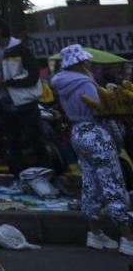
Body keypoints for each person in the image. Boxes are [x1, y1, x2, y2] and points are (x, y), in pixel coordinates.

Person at [50, 44, 133, 254]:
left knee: (90, 184)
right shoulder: (85, 83)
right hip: (96, 133)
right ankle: (127, 237)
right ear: (79, 62)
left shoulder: (61, 83)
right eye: (85, 60)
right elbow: (101, 111)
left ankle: (95, 234)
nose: (89, 62)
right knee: (112, 182)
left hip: (77, 132)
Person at [0, 18, 48, 176]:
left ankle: (46, 173)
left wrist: (10, 82)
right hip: (3, 102)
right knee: (12, 142)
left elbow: (33, 75)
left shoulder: (20, 49)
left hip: (24, 101)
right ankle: (18, 175)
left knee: (35, 140)